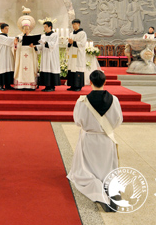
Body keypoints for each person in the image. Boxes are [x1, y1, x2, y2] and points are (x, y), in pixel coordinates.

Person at [67, 70, 123, 212]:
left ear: (90, 82)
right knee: (107, 170)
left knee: (86, 172)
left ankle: (98, 192)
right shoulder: (114, 99)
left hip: (89, 139)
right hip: (106, 139)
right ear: (105, 82)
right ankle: (111, 189)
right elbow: (118, 120)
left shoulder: (82, 101)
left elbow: (78, 121)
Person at [36, 21, 61, 92]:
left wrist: (44, 42)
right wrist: (35, 46)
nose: (44, 28)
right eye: (44, 27)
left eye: (45, 27)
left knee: (51, 68)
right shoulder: (43, 36)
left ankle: (52, 86)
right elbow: (41, 47)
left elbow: (53, 45)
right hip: (45, 56)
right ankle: (47, 86)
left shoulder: (55, 35)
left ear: (50, 27)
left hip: (52, 55)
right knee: (45, 69)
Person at [14, 24, 38, 90]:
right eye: (25, 29)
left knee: (30, 68)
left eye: (27, 29)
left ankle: (30, 85)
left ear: (30, 30)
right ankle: (21, 85)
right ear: (22, 30)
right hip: (22, 55)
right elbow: (16, 47)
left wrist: (34, 46)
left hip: (30, 54)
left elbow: (36, 47)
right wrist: (16, 44)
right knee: (22, 68)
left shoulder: (32, 37)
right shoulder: (19, 37)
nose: (26, 30)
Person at [67, 19, 87, 91]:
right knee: (72, 69)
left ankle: (78, 86)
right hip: (72, 54)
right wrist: (69, 43)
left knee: (77, 69)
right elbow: (69, 44)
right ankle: (72, 85)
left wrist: (73, 42)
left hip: (78, 55)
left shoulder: (82, 33)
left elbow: (82, 44)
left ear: (79, 24)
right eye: (73, 24)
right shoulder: (71, 34)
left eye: (75, 24)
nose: (73, 26)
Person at [0, 23, 15, 91]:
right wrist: (18, 38)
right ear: (2, 29)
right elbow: (9, 41)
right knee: (3, 69)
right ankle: (1, 85)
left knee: (9, 68)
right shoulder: (0, 36)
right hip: (3, 56)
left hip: (8, 55)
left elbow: (10, 41)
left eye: (8, 28)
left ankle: (8, 84)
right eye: (6, 28)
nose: (7, 30)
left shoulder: (6, 37)